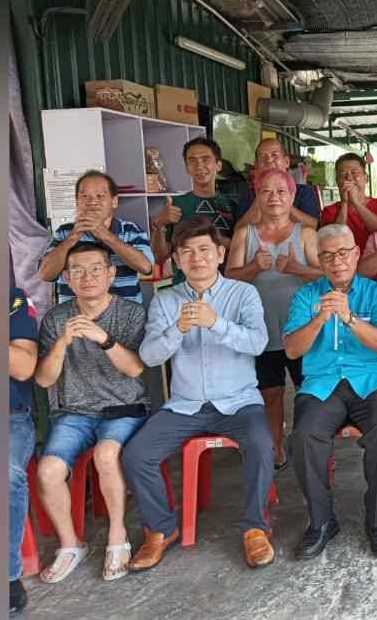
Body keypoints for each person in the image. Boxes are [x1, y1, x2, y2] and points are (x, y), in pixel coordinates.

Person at [123, 216, 275, 571]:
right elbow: (148, 356)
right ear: (176, 259)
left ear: (220, 254)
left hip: (238, 401)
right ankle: (160, 530)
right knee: (136, 455)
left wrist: (216, 323)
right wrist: (178, 328)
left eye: (205, 249)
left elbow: (258, 343)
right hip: (185, 405)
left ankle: (254, 528)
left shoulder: (244, 293)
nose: (197, 258)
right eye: (187, 252)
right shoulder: (165, 301)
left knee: (261, 444)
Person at [33, 243, 149, 582]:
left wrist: (105, 339)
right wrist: (61, 344)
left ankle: (117, 536)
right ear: (66, 278)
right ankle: (70, 544)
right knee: (49, 469)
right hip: (75, 411)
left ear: (111, 274)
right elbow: (43, 379)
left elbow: (136, 369)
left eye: (96, 269)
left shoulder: (130, 313)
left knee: (106, 454)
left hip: (125, 407)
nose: (87, 277)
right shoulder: (56, 318)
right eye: (78, 271)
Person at [283, 224, 377, 559]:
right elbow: (292, 349)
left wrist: (349, 318)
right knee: (304, 435)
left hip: (372, 381)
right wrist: (320, 319)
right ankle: (321, 521)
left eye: (344, 253)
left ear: (357, 254)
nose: (337, 261)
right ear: (319, 261)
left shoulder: (375, 293)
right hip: (322, 384)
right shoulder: (306, 296)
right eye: (328, 255)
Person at [225, 168, 322, 471]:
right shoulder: (245, 234)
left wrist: (297, 268)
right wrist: (254, 266)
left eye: (281, 191)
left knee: (309, 392)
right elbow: (229, 277)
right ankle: (275, 450)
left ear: (292, 196)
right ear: (257, 195)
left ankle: (313, 448)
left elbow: (326, 275)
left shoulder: (306, 234)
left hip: (302, 329)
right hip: (261, 328)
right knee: (271, 394)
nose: (274, 197)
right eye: (266, 191)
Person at [38, 171, 154, 302]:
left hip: (124, 316)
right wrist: (72, 238)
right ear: (77, 202)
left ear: (114, 201)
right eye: (85, 196)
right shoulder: (64, 232)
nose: (92, 202)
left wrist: (105, 235)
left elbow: (146, 267)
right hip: (76, 316)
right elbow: (45, 274)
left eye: (100, 196)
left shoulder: (131, 230)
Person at [151, 137, 241, 285]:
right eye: (192, 161)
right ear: (186, 167)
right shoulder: (175, 205)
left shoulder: (233, 205)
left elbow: (243, 248)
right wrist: (160, 225)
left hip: (227, 289)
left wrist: (206, 239)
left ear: (218, 165)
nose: (199, 166)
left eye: (206, 159)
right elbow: (160, 258)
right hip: (185, 289)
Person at [9, 285, 38, 616]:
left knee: (4, 474)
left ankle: (5, 575)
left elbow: (23, 366)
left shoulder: (12, 300)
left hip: (6, 418)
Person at [220, 138, 321, 230]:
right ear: (256, 166)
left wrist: (282, 203)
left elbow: (313, 226)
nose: (268, 160)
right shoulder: (249, 194)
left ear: (286, 162)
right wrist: (260, 198)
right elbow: (239, 229)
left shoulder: (304, 192)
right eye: (262, 157)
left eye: (274, 155)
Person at [319, 152, 377, 250]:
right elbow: (333, 242)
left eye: (354, 172)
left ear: (365, 178)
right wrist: (344, 204)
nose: (349, 178)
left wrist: (356, 203)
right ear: (337, 181)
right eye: (343, 174)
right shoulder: (329, 211)